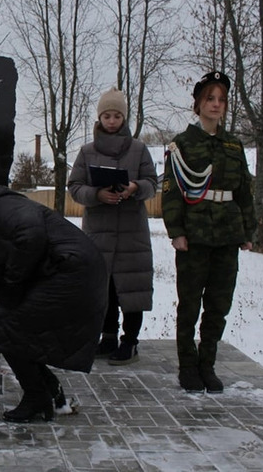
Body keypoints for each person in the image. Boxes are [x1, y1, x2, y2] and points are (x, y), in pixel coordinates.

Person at [0, 179, 108, 422]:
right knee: (5, 324)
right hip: (67, 274)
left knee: (4, 325)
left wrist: (10, 288)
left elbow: (31, 237)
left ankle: (38, 398)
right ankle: (49, 393)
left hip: (72, 276)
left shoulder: (1, 208)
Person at [162, 71, 255, 393]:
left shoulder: (234, 145)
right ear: (198, 104)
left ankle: (207, 364)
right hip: (195, 234)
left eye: (221, 100)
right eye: (210, 99)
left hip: (228, 232)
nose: (216, 105)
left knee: (219, 304)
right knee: (189, 304)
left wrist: (248, 229)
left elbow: (244, 189)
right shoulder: (182, 144)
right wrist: (176, 231)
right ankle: (188, 366)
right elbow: (172, 191)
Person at [68, 87, 157, 366]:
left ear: (124, 118)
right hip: (99, 231)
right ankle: (107, 337)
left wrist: (134, 187)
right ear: (99, 117)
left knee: (131, 290)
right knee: (103, 288)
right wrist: (97, 195)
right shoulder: (87, 152)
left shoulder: (139, 150)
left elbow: (153, 184)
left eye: (116, 115)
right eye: (106, 115)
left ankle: (129, 341)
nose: (111, 120)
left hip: (132, 233)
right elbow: (74, 187)